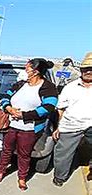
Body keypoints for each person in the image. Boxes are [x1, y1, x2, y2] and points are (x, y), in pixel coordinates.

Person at [0, 58, 58, 191]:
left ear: (35, 71)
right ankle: (1, 171)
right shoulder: (20, 84)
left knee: (24, 154)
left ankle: (22, 178)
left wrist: (24, 115)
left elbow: (48, 107)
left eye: (27, 68)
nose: (25, 70)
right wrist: (9, 108)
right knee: (6, 150)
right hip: (11, 126)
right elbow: (6, 97)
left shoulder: (48, 87)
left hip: (29, 128)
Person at [52, 52, 92, 187]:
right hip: (70, 125)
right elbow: (61, 108)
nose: (88, 72)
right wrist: (59, 126)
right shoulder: (70, 87)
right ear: (81, 70)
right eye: (86, 69)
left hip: (91, 125)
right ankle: (59, 177)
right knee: (62, 154)